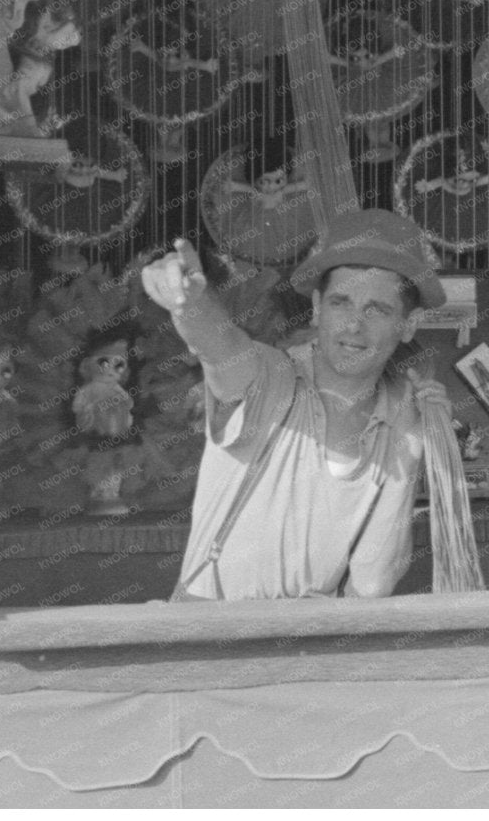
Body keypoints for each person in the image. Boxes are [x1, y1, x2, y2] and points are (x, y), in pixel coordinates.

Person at [140, 209, 451, 599]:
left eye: (377, 309)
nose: (354, 325)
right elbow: (219, 347)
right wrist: (188, 305)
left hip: (308, 645)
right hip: (211, 635)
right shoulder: (268, 377)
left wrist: (413, 437)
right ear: (318, 307)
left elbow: (372, 585)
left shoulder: (397, 422)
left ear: (408, 325)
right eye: (341, 303)